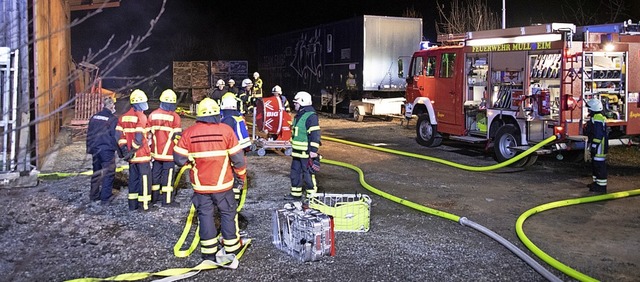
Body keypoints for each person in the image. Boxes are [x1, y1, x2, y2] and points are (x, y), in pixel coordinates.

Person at [173, 97, 247, 263]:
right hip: (224, 186)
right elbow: (239, 160)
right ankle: (232, 247)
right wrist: (241, 177)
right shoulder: (226, 131)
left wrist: (191, 159)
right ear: (217, 113)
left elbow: (178, 159)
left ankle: (208, 252)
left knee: (205, 216)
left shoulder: (189, 132)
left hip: (201, 187)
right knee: (228, 214)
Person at [116, 89, 153, 211]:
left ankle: (132, 205)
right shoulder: (141, 116)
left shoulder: (123, 118)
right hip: (141, 155)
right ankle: (145, 206)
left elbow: (118, 136)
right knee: (145, 180)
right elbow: (138, 136)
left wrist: (125, 150)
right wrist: (133, 150)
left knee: (133, 180)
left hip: (131, 157)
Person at [148, 89, 182, 207]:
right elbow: (177, 137)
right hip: (168, 154)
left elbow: (148, 136)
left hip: (156, 153)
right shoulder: (175, 117)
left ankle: (154, 197)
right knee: (167, 178)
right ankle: (167, 201)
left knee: (155, 175)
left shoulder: (152, 115)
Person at [286, 91, 321, 200]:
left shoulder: (311, 116)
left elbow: (315, 134)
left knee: (308, 174)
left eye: (296, 102)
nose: (294, 104)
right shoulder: (299, 115)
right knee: (295, 173)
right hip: (297, 152)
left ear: (302, 102)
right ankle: (296, 194)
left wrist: (313, 150)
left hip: (306, 152)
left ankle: (312, 196)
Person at [86, 96, 120, 205]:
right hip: (106, 150)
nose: (114, 107)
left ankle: (94, 195)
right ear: (110, 106)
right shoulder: (113, 119)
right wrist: (120, 151)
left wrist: (89, 148)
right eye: (113, 105)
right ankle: (105, 198)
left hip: (95, 149)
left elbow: (89, 133)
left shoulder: (94, 117)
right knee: (108, 173)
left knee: (96, 172)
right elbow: (115, 136)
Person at [220, 93, 251, 208]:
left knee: (230, 174)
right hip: (239, 150)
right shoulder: (238, 118)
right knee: (238, 174)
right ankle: (235, 199)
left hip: (230, 151)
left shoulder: (226, 119)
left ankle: (231, 200)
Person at [584, 98, 608, 194]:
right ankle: (596, 183)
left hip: (599, 146)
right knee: (595, 165)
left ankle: (602, 187)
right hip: (597, 145)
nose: (588, 111)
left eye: (589, 109)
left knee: (599, 166)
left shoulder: (597, 118)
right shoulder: (596, 117)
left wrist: (594, 145)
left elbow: (598, 134)